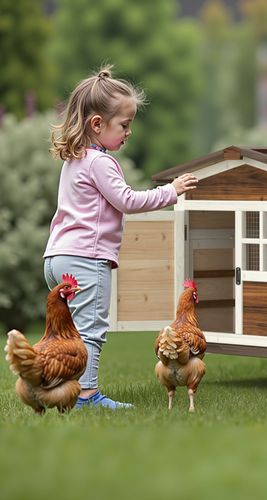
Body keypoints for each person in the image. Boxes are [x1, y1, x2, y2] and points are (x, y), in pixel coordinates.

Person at [44, 65, 198, 409]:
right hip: (87, 258)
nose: (129, 132)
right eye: (124, 125)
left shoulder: (74, 160)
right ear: (97, 124)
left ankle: (64, 389)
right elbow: (127, 201)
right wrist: (170, 192)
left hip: (57, 258)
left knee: (70, 333)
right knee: (91, 330)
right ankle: (86, 395)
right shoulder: (100, 162)